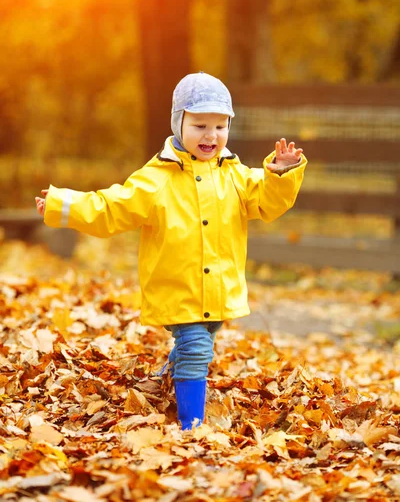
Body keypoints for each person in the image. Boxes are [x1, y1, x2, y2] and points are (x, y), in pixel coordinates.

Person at [35, 72, 307, 430]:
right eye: (199, 125)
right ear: (178, 123)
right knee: (196, 347)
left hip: (218, 286)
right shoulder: (157, 178)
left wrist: (280, 174)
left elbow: (268, 203)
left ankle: (166, 379)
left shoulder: (235, 174)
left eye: (220, 126)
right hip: (177, 287)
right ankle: (190, 425)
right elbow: (112, 207)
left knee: (202, 340)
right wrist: (63, 205)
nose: (211, 136)